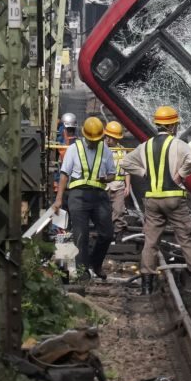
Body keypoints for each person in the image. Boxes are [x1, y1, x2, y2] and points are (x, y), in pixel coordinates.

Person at [120, 106, 191, 297]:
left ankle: (146, 286)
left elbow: (125, 163)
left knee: (150, 242)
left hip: (152, 199)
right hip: (174, 198)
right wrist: (180, 175)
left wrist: (144, 173)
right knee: (186, 239)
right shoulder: (178, 145)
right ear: (172, 126)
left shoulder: (145, 145)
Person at [53, 117, 116, 281]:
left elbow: (112, 173)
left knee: (107, 234)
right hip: (78, 195)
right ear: (85, 136)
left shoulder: (105, 150)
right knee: (81, 235)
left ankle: (95, 263)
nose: (94, 142)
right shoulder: (74, 149)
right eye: (91, 139)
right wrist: (59, 199)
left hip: (99, 195)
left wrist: (106, 179)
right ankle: (82, 272)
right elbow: (64, 174)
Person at [103, 121, 130, 238]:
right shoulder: (100, 149)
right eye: (113, 138)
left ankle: (118, 237)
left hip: (119, 187)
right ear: (107, 137)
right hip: (104, 187)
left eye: (116, 138)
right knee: (103, 214)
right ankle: (105, 237)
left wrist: (128, 186)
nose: (114, 140)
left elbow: (127, 170)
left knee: (119, 212)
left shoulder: (122, 150)